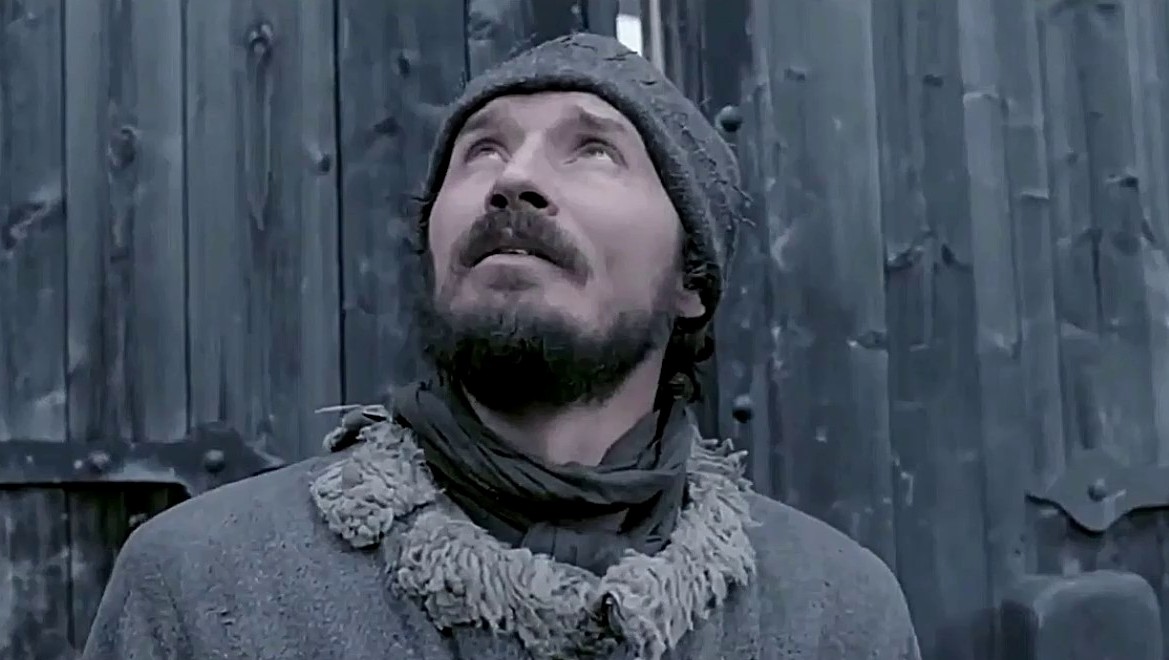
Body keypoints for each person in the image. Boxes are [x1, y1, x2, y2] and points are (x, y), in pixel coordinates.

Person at [81, 33, 920, 660]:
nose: (513, 179)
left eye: (594, 150)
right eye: (481, 149)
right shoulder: (205, 586)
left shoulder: (833, 616)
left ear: (691, 278)